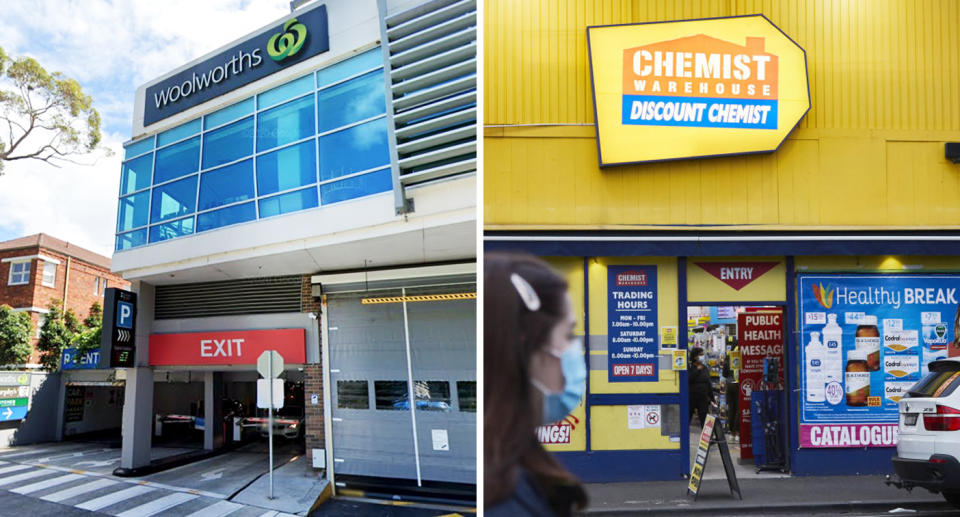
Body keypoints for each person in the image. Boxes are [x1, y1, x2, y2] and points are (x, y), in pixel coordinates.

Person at [484, 252, 588, 516]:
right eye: (568, 334)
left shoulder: (515, 479)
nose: (575, 350)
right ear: (526, 344)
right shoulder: (506, 500)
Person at [688, 347, 713, 428]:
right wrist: (697, 370)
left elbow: (708, 383)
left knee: (704, 420)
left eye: (703, 355)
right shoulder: (689, 367)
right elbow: (688, 379)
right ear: (695, 356)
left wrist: (712, 398)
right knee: (687, 418)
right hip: (691, 398)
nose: (702, 356)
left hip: (703, 398)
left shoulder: (705, 368)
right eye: (701, 355)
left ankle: (706, 439)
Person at [723, 343, 740, 437]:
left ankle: (731, 432)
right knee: (738, 408)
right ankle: (737, 431)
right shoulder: (740, 355)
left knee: (731, 408)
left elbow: (724, 374)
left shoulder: (728, 357)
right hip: (737, 384)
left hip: (729, 385)